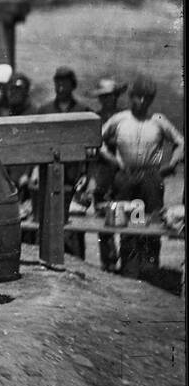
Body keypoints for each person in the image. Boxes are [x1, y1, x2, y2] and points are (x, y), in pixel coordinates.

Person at [97, 75, 184, 279]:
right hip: (125, 176)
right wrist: (112, 160)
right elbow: (96, 138)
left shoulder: (158, 120)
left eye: (147, 98)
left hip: (151, 178)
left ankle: (150, 268)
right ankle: (129, 269)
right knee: (127, 222)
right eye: (138, 97)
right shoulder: (120, 119)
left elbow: (181, 142)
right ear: (131, 97)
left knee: (152, 221)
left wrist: (171, 164)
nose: (142, 102)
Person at [33, 66, 93, 258]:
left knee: (74, 223)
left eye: (65, 81)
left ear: (72, 84)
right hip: (48, 173)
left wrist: (86, 175)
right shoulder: (45, 110)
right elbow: (36, 143)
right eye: (58, 81)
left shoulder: (83, 110)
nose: (61, 86)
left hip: (74, 176)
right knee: (47, 217)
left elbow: (90, 148)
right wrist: (35, 171)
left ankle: (76, 259)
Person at [87, 77, 129, 270]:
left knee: (126, 215)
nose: (106, 100)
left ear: (116, 97)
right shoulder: (96, 118)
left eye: (109, 96)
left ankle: (129, 261)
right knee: (104, 217)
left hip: (123, 172)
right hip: (102, 171)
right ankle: (109, 261)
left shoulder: (124, 117)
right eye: (102, 97)